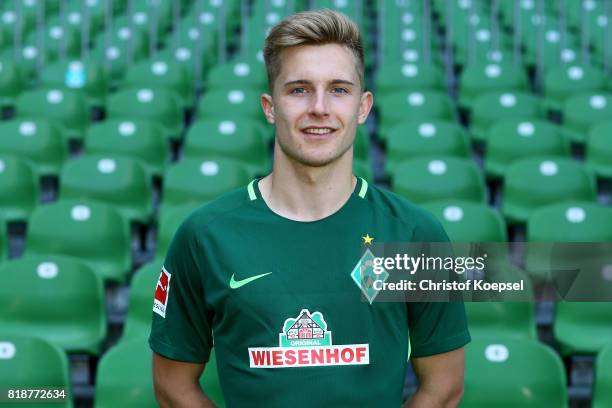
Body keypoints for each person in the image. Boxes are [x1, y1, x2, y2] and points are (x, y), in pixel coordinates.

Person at [150, 9, 470, 408]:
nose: (319, 107)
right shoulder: (204, 236)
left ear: (363, 107)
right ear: (270, 106)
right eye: (299, 89)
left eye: (339, 89)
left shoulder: (416, 234)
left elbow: (443, 388)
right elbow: (172, 386)